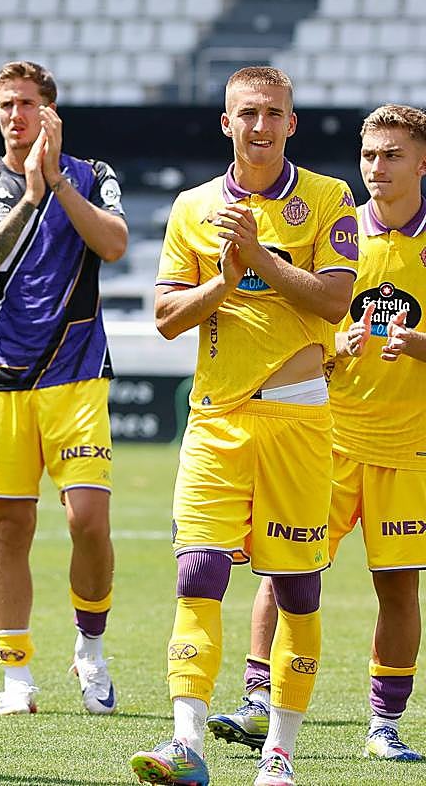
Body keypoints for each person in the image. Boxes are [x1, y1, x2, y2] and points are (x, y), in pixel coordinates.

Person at [129, 66, 358, 786]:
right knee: (197, 574)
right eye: (247, 114)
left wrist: (257, 256)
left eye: (273, 113)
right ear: (226, 123)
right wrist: (224, 281)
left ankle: (279, 754)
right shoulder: (193, 207)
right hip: (215, 419)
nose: (259, 126)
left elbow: (333, 301)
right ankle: (187, 743)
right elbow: (167, 318)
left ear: (292, 123)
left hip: (297, 419)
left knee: (297, 588)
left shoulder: (328, 199)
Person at [207, 104, 426, 766]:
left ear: (422, 163)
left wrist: (414, 342)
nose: (376, 168)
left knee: (398, 587)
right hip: (325, 437)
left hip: (407, 450)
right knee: (283, 568)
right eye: (368, 155)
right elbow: (302, 323)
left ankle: (383, 724)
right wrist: (337, 343)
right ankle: (255, 699)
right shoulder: (338, 230)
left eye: (391, 155)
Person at [0, 60, 128, 719]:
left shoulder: (93, 174)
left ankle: (91, 649)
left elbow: (114, 244)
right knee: (9, 527)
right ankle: (18, 676)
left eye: (27, 103)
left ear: (51, 112)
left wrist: (57, 185)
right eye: (4, 105)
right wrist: (29, 196)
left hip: (77, 377)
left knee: (88, 520)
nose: (15, 115)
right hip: (3, 380)